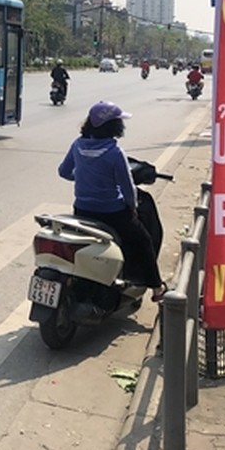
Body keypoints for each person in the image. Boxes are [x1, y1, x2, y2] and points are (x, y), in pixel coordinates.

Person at [56, 101, 167, 302]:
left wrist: (82, 177)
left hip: (82, 211)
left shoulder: (78, 145)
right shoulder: (115, 152)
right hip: (113, 214)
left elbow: (64, 172)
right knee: (143, 240)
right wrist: (132, 210)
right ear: (113, 126)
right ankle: (157, 288)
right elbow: (127, 189)